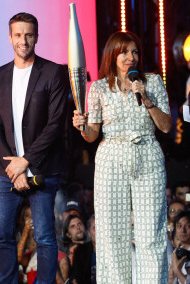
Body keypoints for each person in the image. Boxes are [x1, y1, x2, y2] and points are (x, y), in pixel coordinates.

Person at [72, 31, 172, 284]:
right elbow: (92, 134)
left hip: (147, 154)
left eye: (135, 52)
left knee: (151, 233)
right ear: (112, 55)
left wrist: (146, 98)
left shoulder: (152, 81)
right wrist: (82, 126)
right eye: (125, 52)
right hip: (111, 159)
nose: (131, 57)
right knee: (112, 234)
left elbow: (166, 126)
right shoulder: (99, 87)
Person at [0, 12, 67, 284]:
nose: (24, 40)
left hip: (43, 167)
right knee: (1, 233)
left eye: (29, 34)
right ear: (10, 37)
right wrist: (15, 166)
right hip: (7, 170)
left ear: (36, 36)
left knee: (45, 235)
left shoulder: (54, 72)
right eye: (18, 35)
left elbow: (56, 125)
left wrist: (27, 161)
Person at [168, 211, 190, 284]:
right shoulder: (175, 253)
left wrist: (178, 271)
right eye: (179, 226)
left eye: (188, 226)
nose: (183, 230)